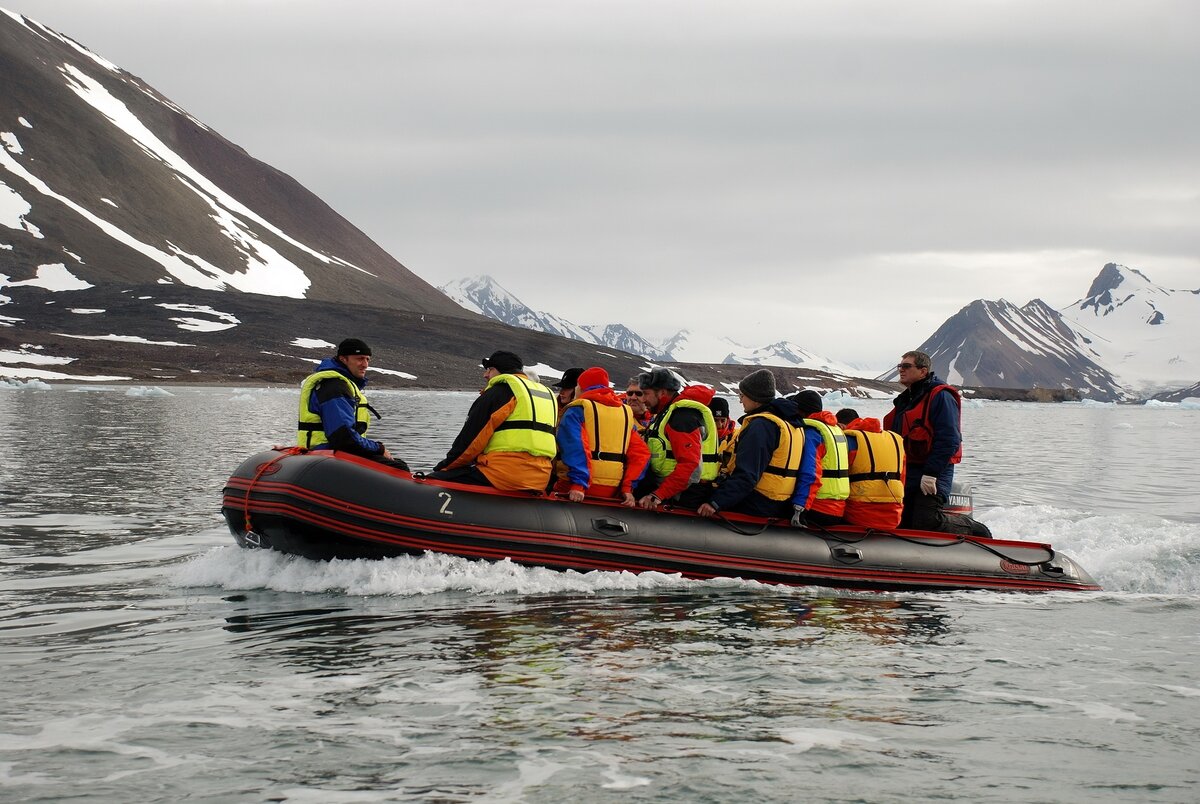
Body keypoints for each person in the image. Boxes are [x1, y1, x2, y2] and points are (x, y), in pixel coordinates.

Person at [427, 350, 557, 491]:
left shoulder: (500, 391)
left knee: (435, 479)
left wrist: (443, 468)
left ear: (501, 370)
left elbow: (470, 441)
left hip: (504, 476)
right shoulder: (546, 396)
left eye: (490, 369)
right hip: (540, 479)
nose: (486, 375)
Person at [699, 370, 807, 519]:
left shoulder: (762, 426)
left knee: (698, 497)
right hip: (780, 501)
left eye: (742, 396)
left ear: (755, 399)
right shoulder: (790, 423)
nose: (740, 401)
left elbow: (747, 475)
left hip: (759, 501)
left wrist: (715, 502)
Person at [296, 338, 407, 469]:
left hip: (329, 452)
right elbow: (343, 437)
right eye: (360, 358)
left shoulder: (339, 383)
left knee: (396, 463)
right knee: (399, 468)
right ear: (343, 359)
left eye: (367, 359)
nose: (365, 364)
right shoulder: (334, 386)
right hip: (327, 455)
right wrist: (379, 448)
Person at [884, 350, 962, 531]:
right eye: (900, 366)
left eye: (906, 366)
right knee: (902, 521)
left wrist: (931, 473)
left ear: (923, 371)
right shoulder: (905, 401)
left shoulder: (940, 396)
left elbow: (949, 439)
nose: (901, 370)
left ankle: (974, 529)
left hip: (935, 471)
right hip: (908, 471)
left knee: (926, 521)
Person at [553, 367, 650, 505]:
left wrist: (579, 484)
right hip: (613, 488)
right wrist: (628, 488)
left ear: (581, 387)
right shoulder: (625, 413)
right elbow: (641, 454)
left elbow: (575, 446)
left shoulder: (578, 409)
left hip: (576, 486)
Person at [634, 368, 720, 510]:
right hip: (675, 489)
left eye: (646, 394)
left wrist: (658, 495)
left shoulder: (681, 417)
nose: (642, 400)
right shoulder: (668, 413)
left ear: (662, 392)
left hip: (684, 495)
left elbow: (690, 467)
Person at [790, 390, 849, 527]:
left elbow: (810, 473)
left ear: (801, 411)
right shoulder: (834, 430)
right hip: (838, 508)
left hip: (818, 507)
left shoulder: (812, 434)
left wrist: (799, 508)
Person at [841, 415, 905, 530]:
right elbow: (903, 477)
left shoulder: (850, 440)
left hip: (858, 513)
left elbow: (840, 480)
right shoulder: (896, 440)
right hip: (894, 514)